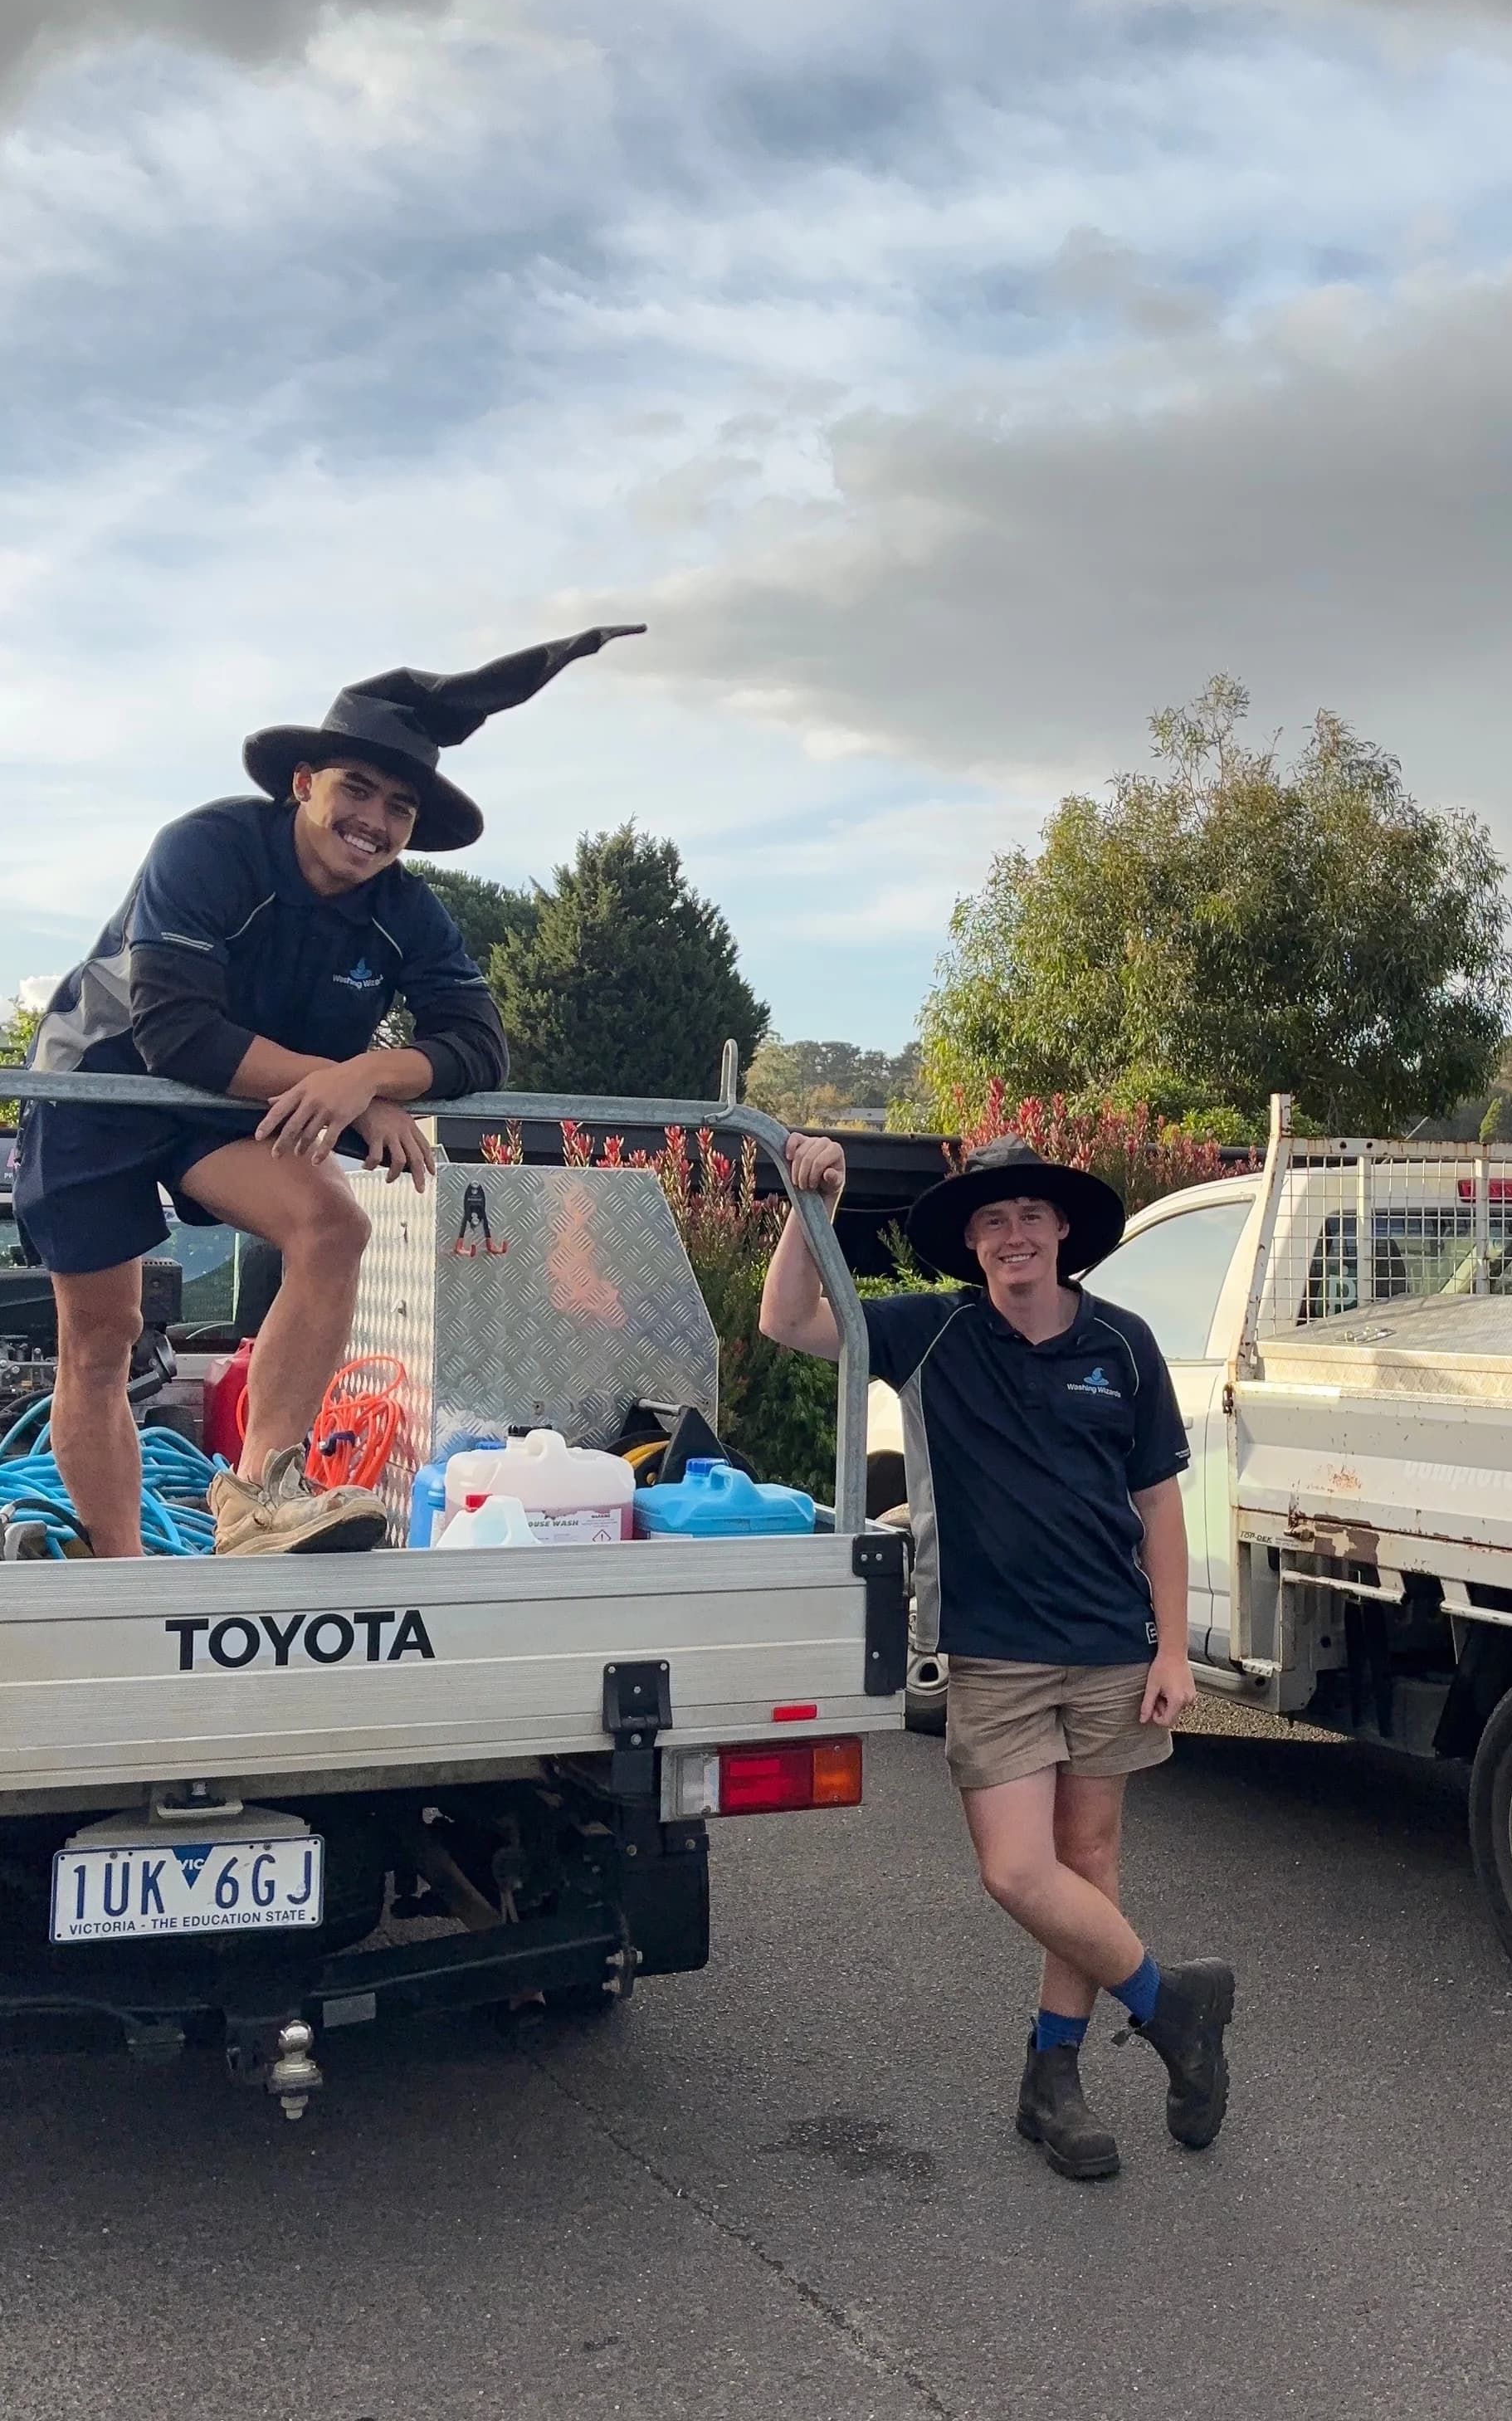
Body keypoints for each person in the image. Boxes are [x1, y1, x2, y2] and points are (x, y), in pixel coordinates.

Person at [15, 624, 643, 1558]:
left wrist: (367, 1076)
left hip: (237, 1105)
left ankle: (260, 1495)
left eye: (399, 806)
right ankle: (122, 1567)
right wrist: (351, 1091)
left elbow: (478, 1045)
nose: (376, 821)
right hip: (103, 1084)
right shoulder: (208, 846)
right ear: (303, 784)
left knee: (333, 1226)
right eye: (357, 788)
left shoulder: (406, 912)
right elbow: (177, 1030)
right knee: (102, 1339)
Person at [759, 1132, 1235, 2180]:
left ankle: (1051, 2079)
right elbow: (788, 1320)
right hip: (992, 1652)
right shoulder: (930, 1334)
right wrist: (811, 1208)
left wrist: (1169, 1648)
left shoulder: (1122, 1344)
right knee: (1018, 1871)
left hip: (1112, 1646)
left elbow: (1158, 1505)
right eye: (991, 1220)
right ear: (969, 1243)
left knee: (1089, 1866)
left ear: (1062, 1229)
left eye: (1029, 1215)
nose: (1012, 1235)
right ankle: (1170, 2004)